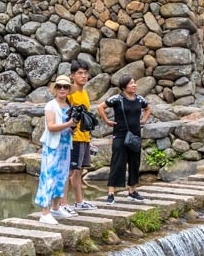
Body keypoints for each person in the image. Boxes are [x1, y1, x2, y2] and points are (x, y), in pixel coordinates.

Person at [98, 75, 152, 203]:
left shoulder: (139, 99)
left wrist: (144, 119)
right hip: (120, 135)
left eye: (134, 83)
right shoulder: (117, 99)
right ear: (124, 86)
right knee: (117, 162)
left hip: (135, 135)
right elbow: (100, 107)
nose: (134, 85)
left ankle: (132, 191)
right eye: (131, 83)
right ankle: (111, 193)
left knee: (134, 162)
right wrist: (107, 121)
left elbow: (148, 108)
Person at [35, 76, 77, 224]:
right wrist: (69, 123)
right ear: (55, 89)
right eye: (59, 86)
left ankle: (56, 207)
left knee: (62, 176)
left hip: (65, 145)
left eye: (65, 87)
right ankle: (44, 212)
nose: (62, 89)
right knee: (49, 176)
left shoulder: (69, 105)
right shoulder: (50, 106)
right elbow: (51, 127)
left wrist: (72, 128)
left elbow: (70, 129)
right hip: (52, 146)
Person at [65, 60, 95, 212]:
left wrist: (90, 138)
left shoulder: (84, 93)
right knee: (69, 171)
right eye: (80, 73)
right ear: (72, 75)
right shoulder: (70, 93)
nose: (84, 76)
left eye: (85, 73)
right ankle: (62, 205)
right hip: (74, 138)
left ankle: (79, 202)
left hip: (84, 138)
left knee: (80, 171)